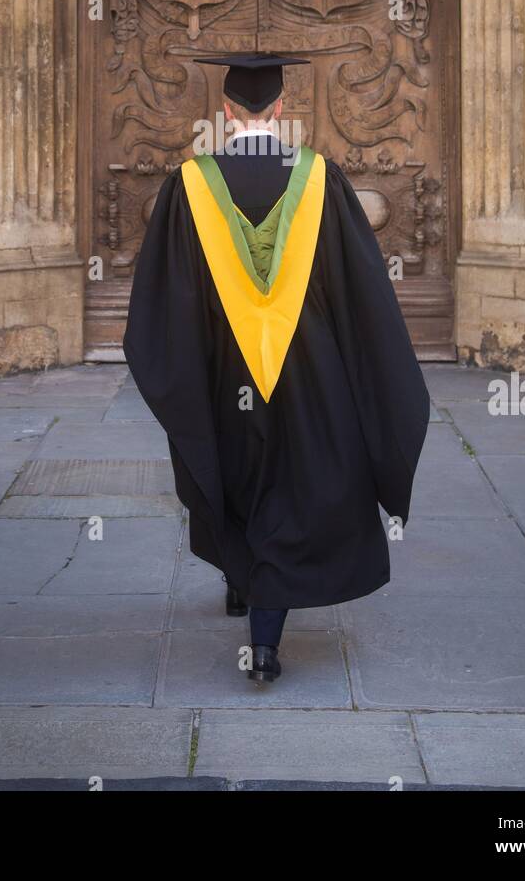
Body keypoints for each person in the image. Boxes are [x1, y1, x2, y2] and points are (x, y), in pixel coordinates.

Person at [123, 52, 431, 686]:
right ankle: (264, 641)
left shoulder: (189, 185)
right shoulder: (322, 178)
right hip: (308, 370)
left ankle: (246, 586)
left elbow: (166, 297)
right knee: (294, 482)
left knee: (235, 467)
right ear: (282, 111)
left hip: (223, 368)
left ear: (228, 112)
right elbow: (361, 293)